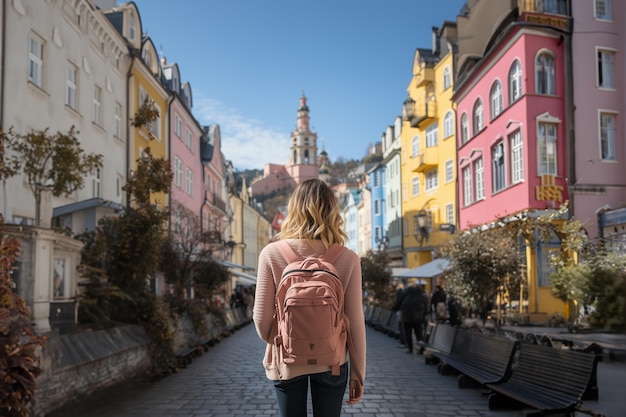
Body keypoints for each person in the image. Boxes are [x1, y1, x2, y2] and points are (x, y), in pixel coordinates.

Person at [253, 179, 366, 417]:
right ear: (333, 212)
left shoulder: (271, 253)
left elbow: (260, 318)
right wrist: (358, 373)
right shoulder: (348, 258)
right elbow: (355, 321)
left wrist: (286, 341)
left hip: (286, 361)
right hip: (332, 361)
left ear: (292, 211)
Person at [396, 283, 429, 354]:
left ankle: (410, 349)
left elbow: (399, 305)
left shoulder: (406, 297)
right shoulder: (421, 297)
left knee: (408, 334)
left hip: (407, 320)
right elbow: (426, 309)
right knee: (419, 335)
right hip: (418, 320)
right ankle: (421, 349)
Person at [392, 284, 407, 348]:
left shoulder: (399, 293)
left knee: (401, 327)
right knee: (403, 327)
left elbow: (398, 302)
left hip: (400, 311)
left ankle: (402, 342)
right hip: (404, 311)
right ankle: (404, 342)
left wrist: (394, 308)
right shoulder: (404, 292)